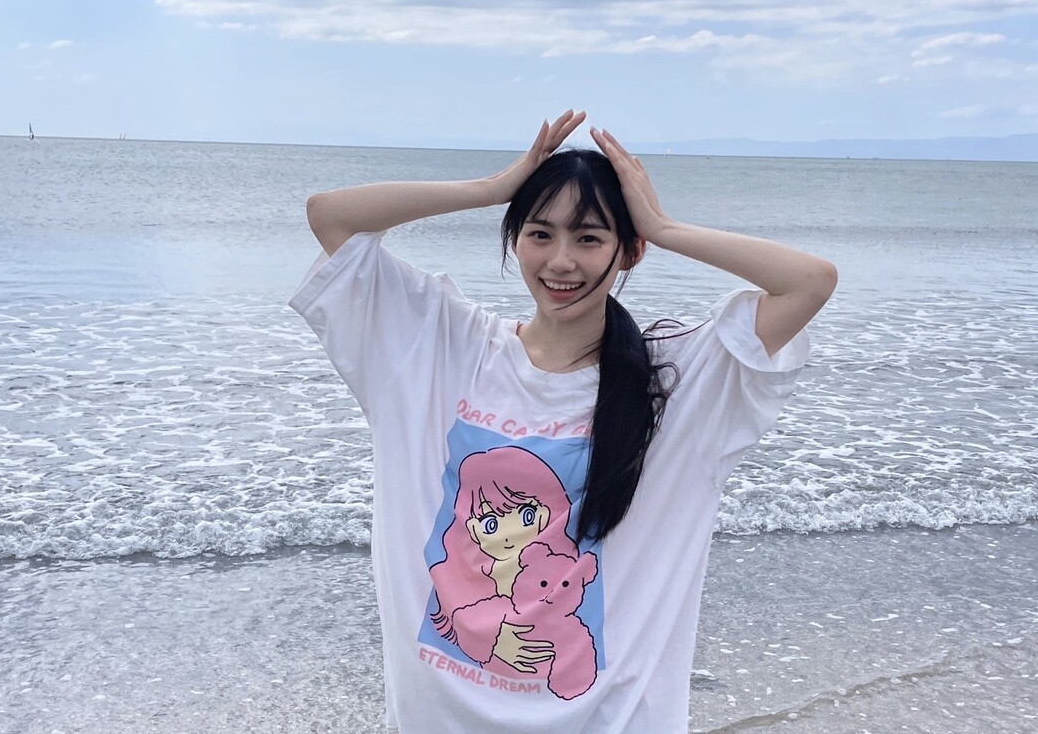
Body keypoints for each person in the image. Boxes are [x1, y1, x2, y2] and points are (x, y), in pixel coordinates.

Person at [290, 110, 837, 733]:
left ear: (629, 250)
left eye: (590, 238)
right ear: (514, 240)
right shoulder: (445, 347)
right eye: (540, 233)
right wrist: (493, 188)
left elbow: (809, 282)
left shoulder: (677, 379)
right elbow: (331, 217)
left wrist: (663, 226)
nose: (561, 261)